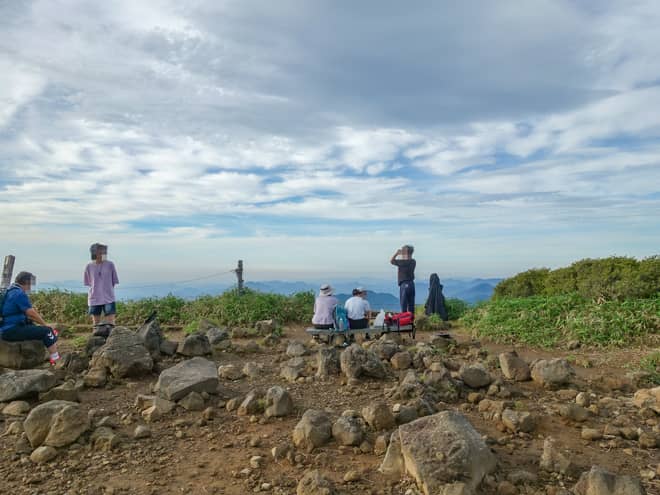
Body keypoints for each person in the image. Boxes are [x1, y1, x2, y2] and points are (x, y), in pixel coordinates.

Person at [0, 271, 61, 364]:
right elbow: (31, 313)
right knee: (47, 331)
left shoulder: (10, 291)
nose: (30, 286)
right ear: (26, 282)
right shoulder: (19, 294)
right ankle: (56, 360)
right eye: (30, 283)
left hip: (6, 329)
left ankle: (50, 355)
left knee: (38, 329)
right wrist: (45, 325)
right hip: (12, 330)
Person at [84, 243, 119, 330]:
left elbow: (113, 281)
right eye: (100, 252)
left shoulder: (110, 264)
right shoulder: (89, 266)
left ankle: (111, 341)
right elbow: (89, 283)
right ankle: (95, 342)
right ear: (94, 253)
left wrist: (106, 289)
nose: (103, 254)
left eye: (104, 252)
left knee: (111, 323)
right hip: (94, 297)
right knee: (96, 324)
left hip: (109, 297)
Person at [390, 244, 416, 313]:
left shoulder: (402, 262)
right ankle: (411, 321)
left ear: (405, 253)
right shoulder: (413, 261)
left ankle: (404, 320)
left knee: (403, 304)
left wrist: (397, 253)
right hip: (412, 284)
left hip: (404, 284)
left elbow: (392, 261)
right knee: (411, 304)